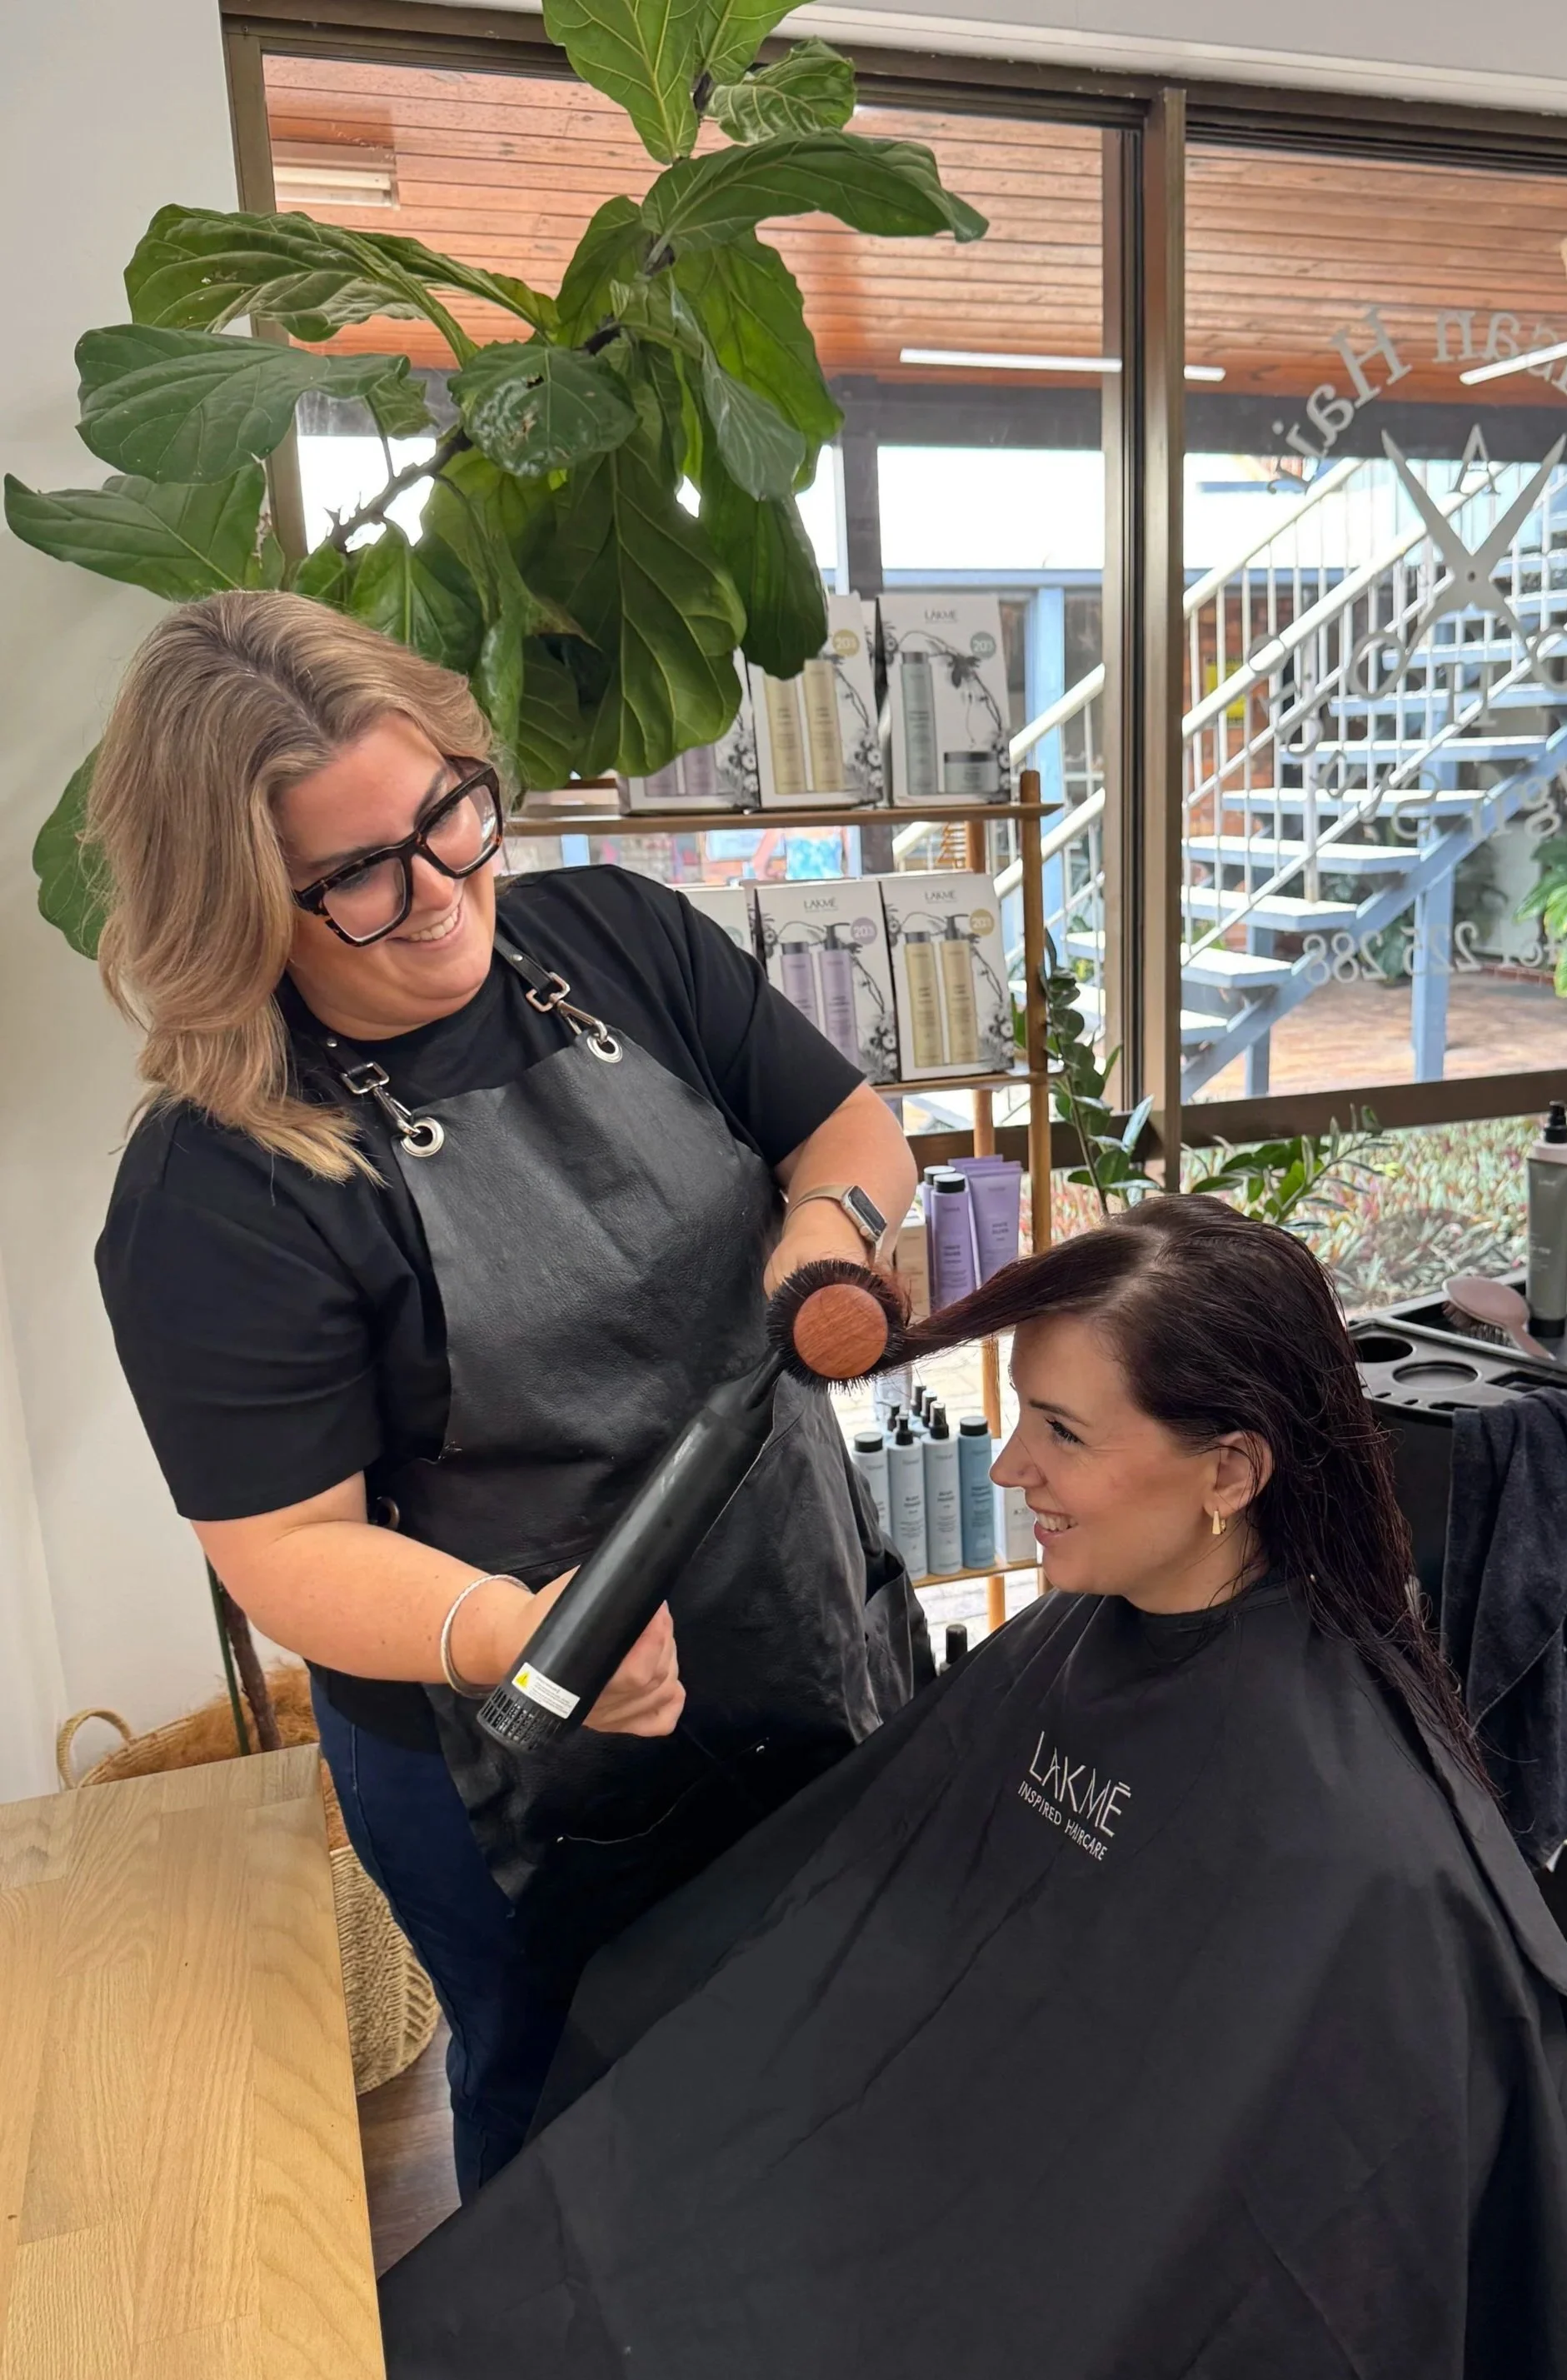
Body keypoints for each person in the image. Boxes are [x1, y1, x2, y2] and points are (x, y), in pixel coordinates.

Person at [379, 1196, 1567, 2380]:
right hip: (918, 2174)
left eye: (1063, 1433)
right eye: (1020, 1412)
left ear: (1231, 1472)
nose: (1006, 1466)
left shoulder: (1364, 1850)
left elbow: (1287, 2223)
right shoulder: (1083, 1632)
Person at [92, 591, 928, 2195]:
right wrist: (518, 1641)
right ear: (231, 903)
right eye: (353, 876)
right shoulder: (218, 1191)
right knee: (591, 2152)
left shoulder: (615, 936)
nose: (437, 896)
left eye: (449, 817)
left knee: (834, 2075)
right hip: (520, 1760)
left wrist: (824, 1239)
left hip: (798, 1620)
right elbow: (284, 1555)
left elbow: (853, 1135)